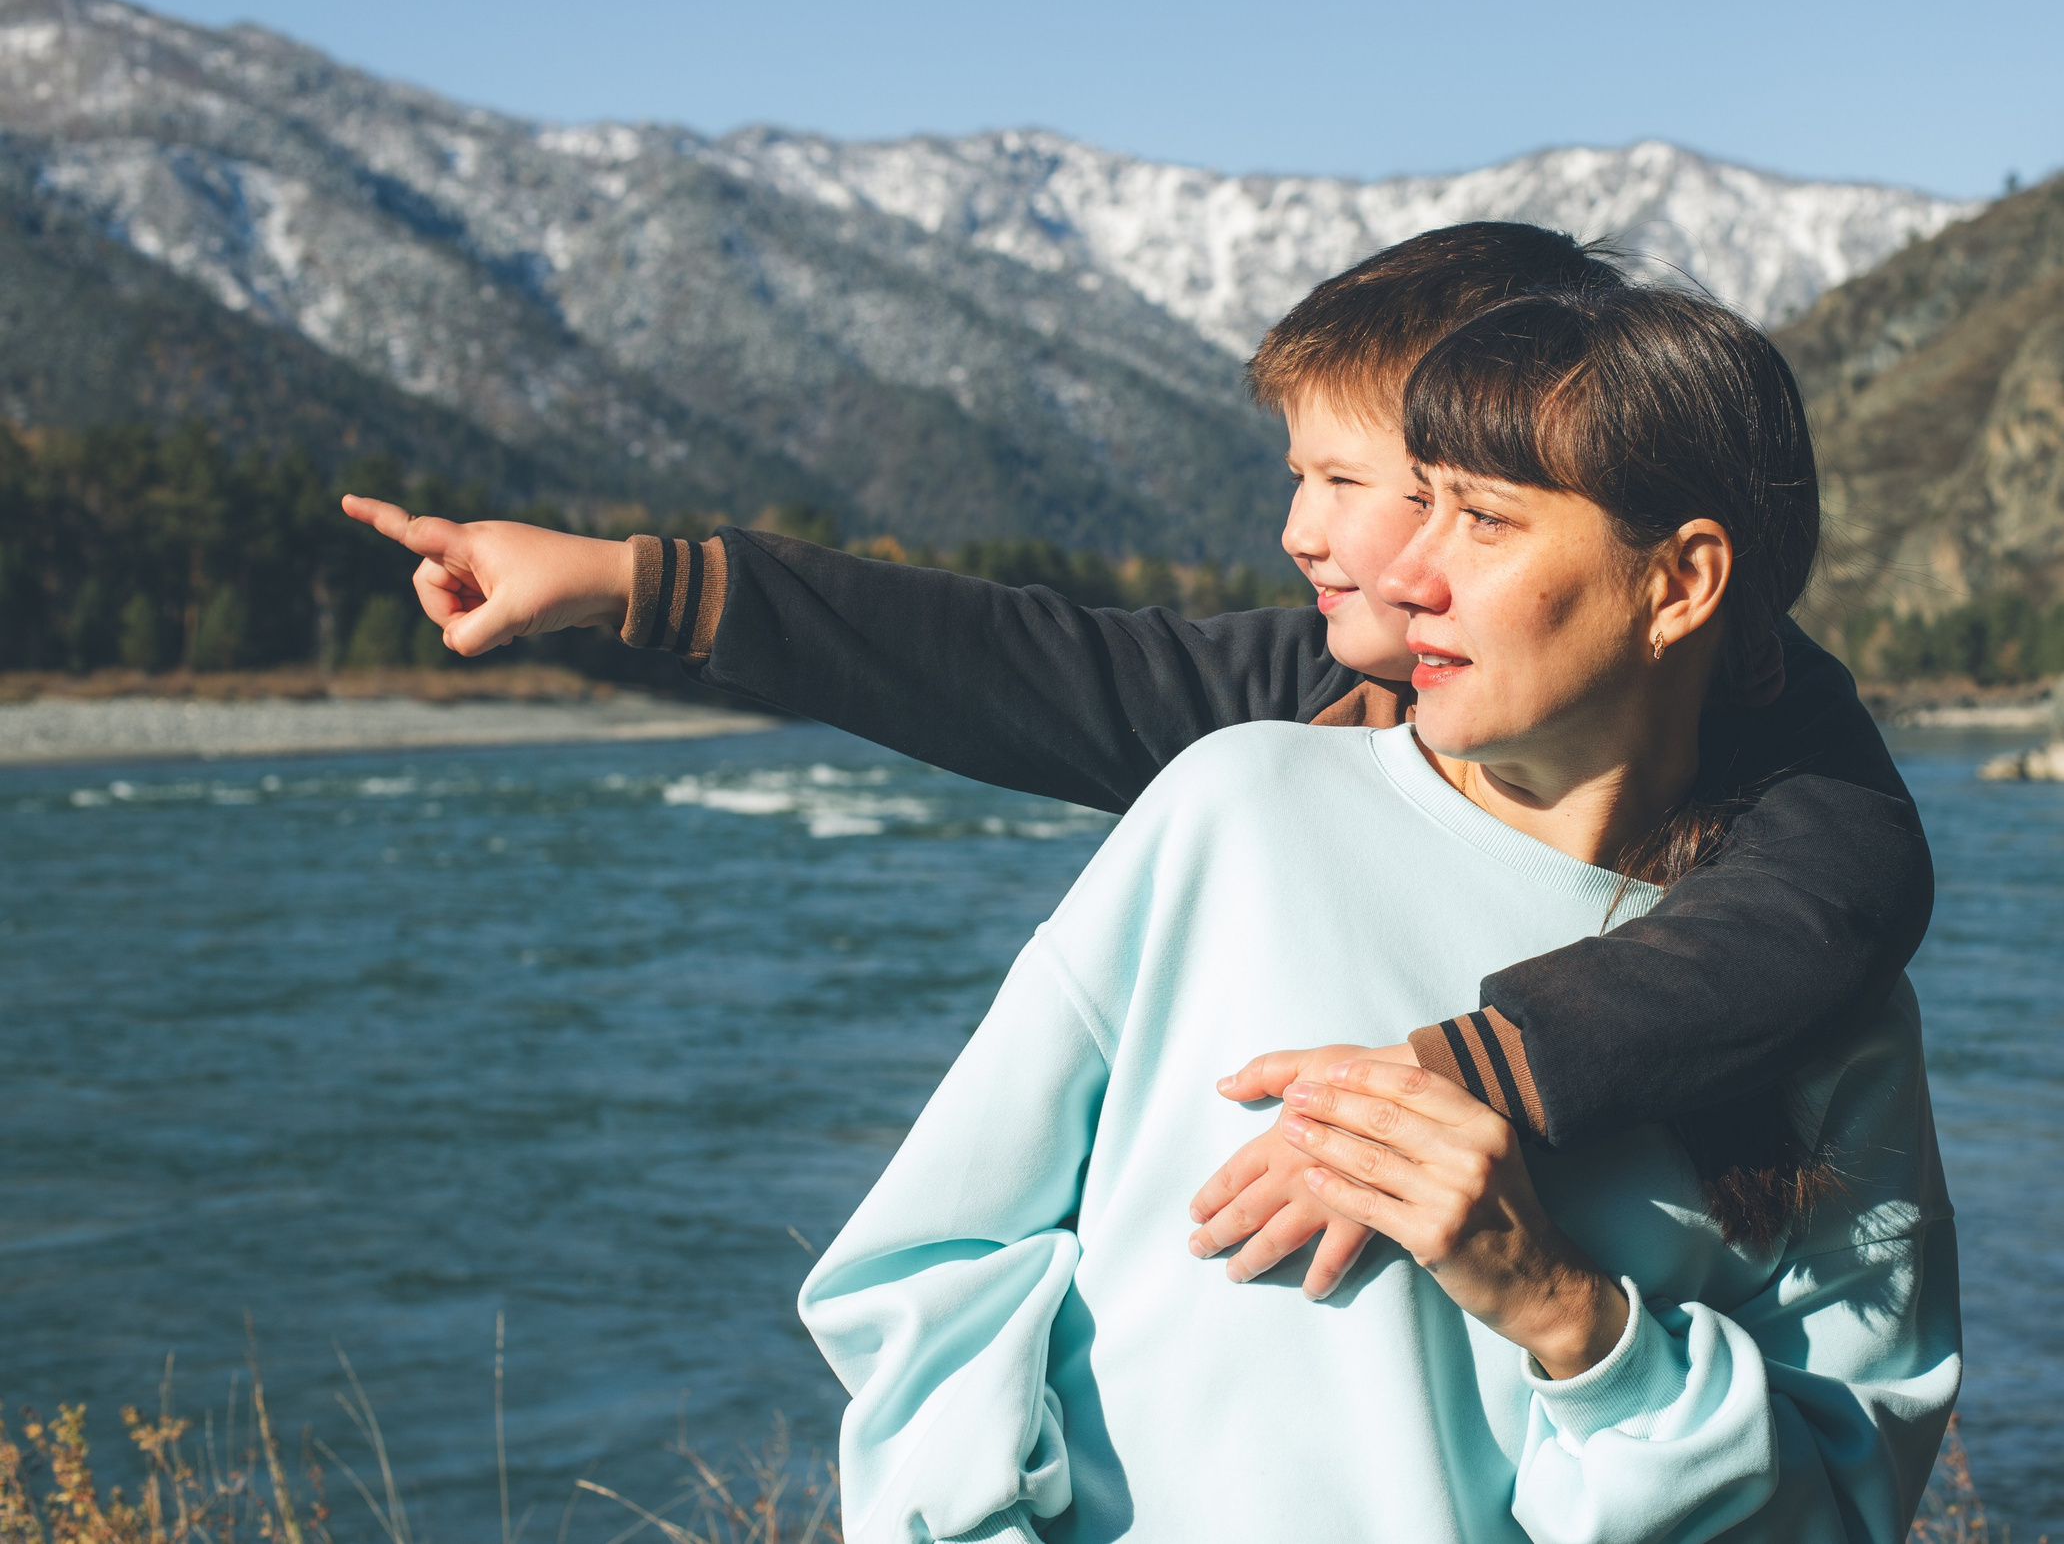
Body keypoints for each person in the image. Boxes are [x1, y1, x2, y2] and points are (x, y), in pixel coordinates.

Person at [339, 223, 1933, 1297]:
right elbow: (1023, 663)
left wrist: (1471, 1077)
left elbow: (1819, 907)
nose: (1303, 527)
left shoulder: (1785, 745)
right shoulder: (1285, 726)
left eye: (1353, 477)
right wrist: (636, 581)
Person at [798, 284, 1958, 1543]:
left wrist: (1578, 1325)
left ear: (1679, 583)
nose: (1405, 577)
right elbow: (925, 1278)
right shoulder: (1233, 808)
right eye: (1422, 503)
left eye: (1485, 520)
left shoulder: (1837, 1022)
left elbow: (1839, 1514)